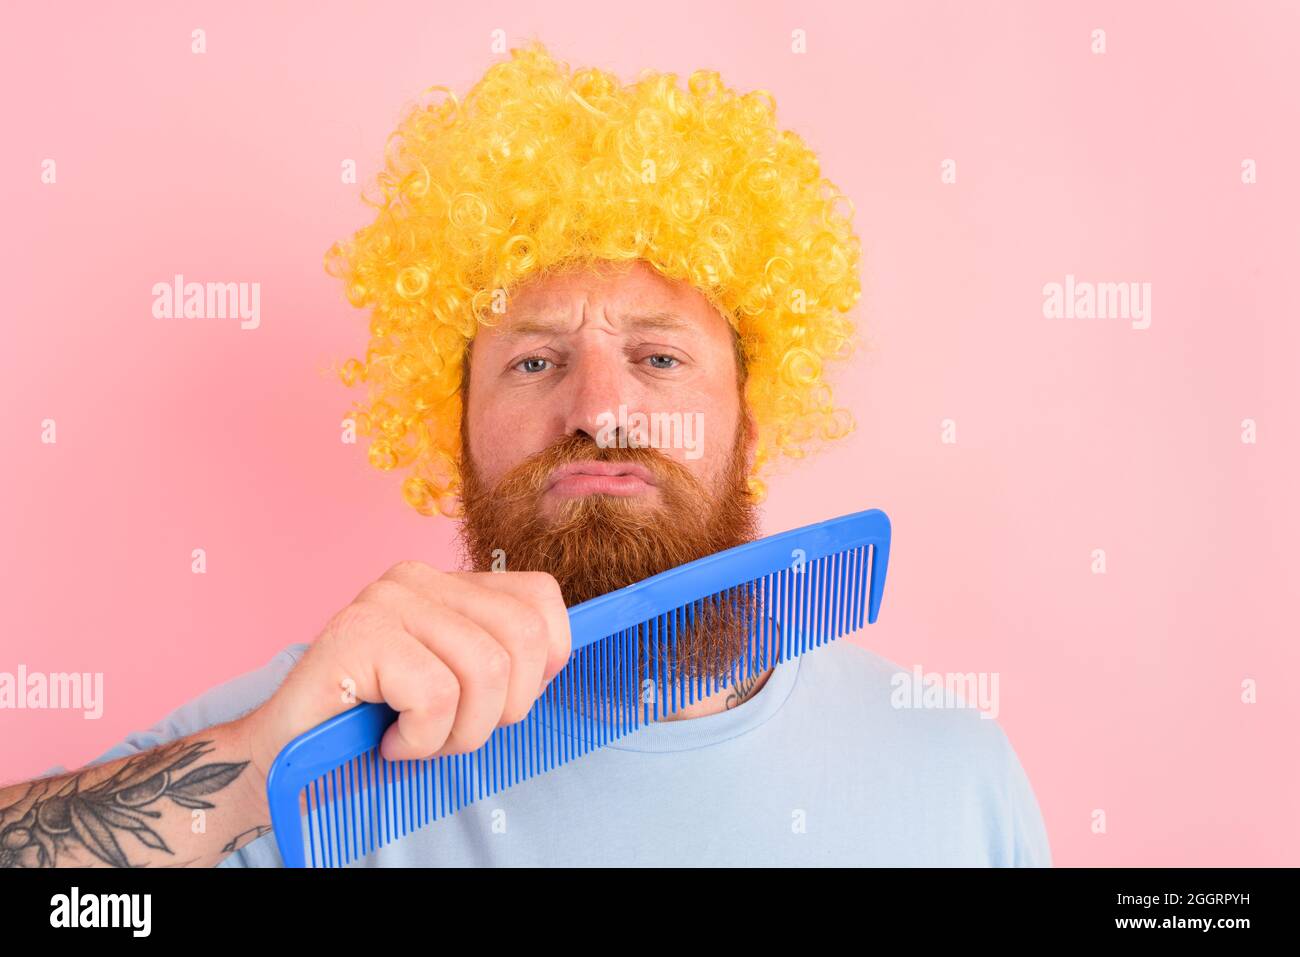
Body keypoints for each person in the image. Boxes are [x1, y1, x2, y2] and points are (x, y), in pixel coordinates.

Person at [0, 41, 1050, 868]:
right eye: (537, 363)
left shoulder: (953, 770)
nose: (599, 410)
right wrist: (254, 763)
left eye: (659, 357)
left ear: (753, 422)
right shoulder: (322, 733)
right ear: (451, 423)